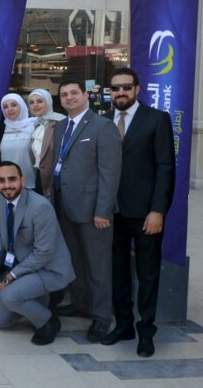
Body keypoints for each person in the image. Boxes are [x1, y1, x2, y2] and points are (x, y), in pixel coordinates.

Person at [100, 68, 175, 357]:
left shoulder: (157, 119)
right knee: (117, 273)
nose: (120, 92)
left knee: (147, 274)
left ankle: (146, 331)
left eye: (126, 87)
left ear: (137, 89)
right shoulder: (103, 121)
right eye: (115, 88)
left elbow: (165, 167)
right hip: (111, 213)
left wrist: (158, 211)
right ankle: (123, 326)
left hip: (145, 215)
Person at [52, 78, 122, 342]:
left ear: (85, 95)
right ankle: (80, 303)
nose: (69, 98)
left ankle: (102, 317)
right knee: (75, 259)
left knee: (98, 265)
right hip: (64, 205)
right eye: (64, 95)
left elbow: (110, 173)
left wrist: (103, 210)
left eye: (74, 93)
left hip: (93, 210)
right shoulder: (60, 126)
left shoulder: (103, 126)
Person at [0, 161, 75, 345]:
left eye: (12, 179)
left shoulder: (40, 207)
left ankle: (48, 321)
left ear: (23, 180)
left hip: (49, 269)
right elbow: (2, 234)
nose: (7, 185)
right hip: (23, 265)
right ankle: (39, 299)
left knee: (10, 296)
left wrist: (11, 275)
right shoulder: (1, 199)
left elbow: (43, 253)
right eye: (1, 180)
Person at [0, 94, 36, 191]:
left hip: (32, 184)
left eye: (14, 105)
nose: (10, 109)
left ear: (22, 106)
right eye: (5, 107)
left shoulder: (35, 125)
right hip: (6, 185)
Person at [27, 89, 65, 196]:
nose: (35, 105)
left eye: (40, 101)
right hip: (39, 177)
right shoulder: (36, 124)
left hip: (57, 180)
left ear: (48, 102)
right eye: (31, 102)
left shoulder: (61, 122)